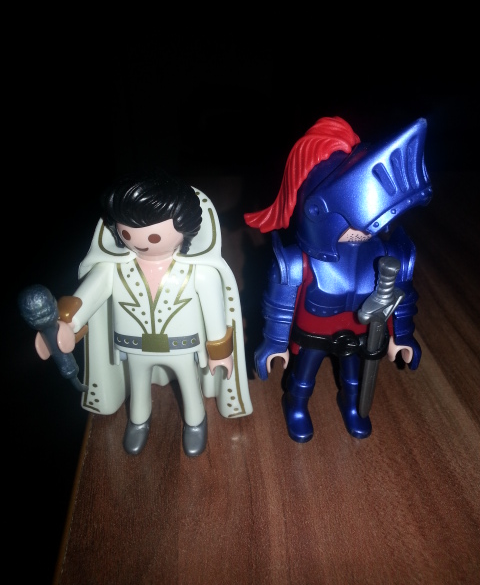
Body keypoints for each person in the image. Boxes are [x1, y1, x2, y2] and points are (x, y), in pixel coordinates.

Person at [35, 169, 253, 456]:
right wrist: (66, 325)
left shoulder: (199, 272)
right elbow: (84, 298)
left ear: (185, 228)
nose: (140, 241)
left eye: (153, 234)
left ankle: (195, 422)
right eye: (126, 232)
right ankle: (138, 422)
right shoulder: (113, 270)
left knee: (190, 385)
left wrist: (220, 352)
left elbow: (215, 315)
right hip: (134, 346)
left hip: (182, 346)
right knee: (138, 387)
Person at [244, 116, 432, 443]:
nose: (366, 231)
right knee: (303, 378)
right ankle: (296, 406)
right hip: (312, 334)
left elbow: (398, 298)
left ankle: (352, 406)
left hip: (358, 336)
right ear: (320, 212)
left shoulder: (384, 254)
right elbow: (280, 308)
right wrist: (274, 344)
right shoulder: (297, 262)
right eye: (358, 222)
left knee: (353, 379)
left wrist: (401, 335)